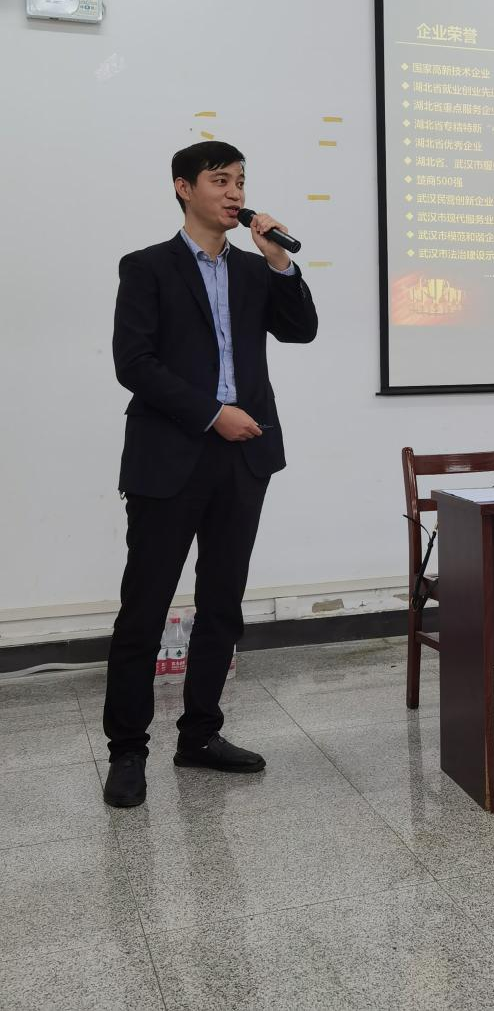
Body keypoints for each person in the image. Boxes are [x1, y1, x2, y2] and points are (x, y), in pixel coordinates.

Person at [102, 142, 318, 808]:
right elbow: (134, 363)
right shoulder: (147, 267)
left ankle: (199, 735)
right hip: (170, 457)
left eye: (241, 182)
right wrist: (211, 414)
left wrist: (278, 260)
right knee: (145, 609)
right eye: (220, 181)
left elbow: (301, 330)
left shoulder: (255, 270)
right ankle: (127, 750)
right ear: (183, 187)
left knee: (222, 604)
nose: (235, 193)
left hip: (243, 458)